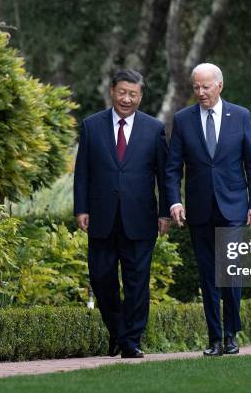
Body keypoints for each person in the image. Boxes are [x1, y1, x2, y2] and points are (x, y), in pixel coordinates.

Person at [165, 63, 251, 356]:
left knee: (230, 271)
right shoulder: (183, 120)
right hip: (199, 210)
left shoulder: (240, 116)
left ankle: (232, 333)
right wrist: (174, 200)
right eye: (196, 87)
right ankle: (214, 339)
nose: (200, 92)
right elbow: (173, 169)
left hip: (233, 207)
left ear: (219, 86)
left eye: (206, 87)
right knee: (208, 275)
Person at [73, 69, 170, 359]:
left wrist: (165, 212)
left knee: (137, 281)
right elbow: (83, 172)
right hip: (101, 218)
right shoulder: (92, 126)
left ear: (140, 96)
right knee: (101, 278)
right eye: (122, 92)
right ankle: (117, 331)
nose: (127, 98)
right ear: (112, 91)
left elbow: (164, 176)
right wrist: (81, 208)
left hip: (141, 219)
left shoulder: (154, 129)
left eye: (133, 94)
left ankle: (131, 341)